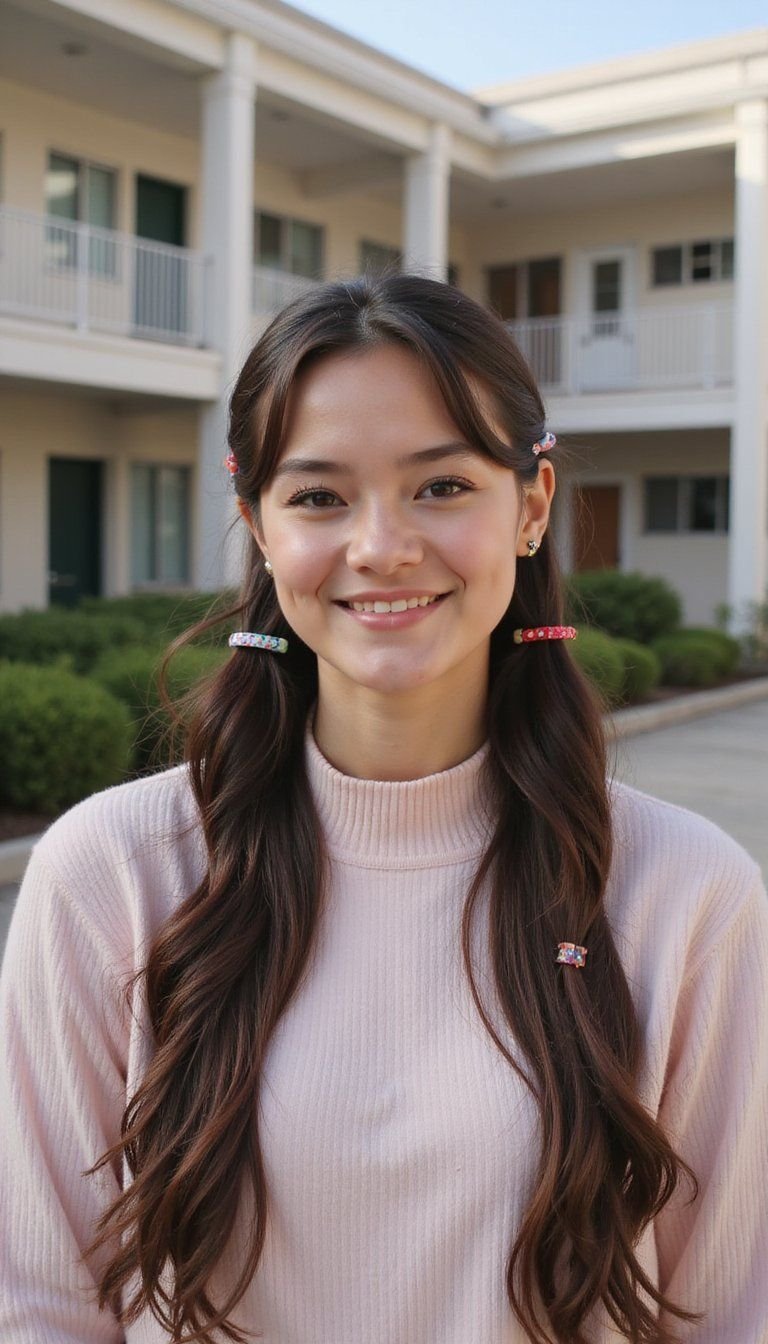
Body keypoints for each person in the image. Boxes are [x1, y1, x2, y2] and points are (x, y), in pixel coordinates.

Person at [1, 275, 766, 1344]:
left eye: (441, 486)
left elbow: (733, 1313)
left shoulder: (688, 894)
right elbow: (38, 1308)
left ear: (533, 506)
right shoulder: (114, 873)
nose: (381, 547)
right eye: (317, 497)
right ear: (259, 530)